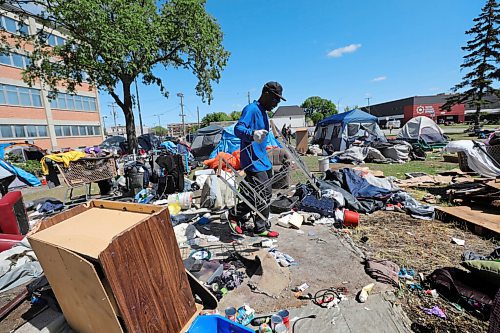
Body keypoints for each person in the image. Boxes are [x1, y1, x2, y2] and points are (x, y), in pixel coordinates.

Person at [227, 81, 286, 238]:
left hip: (263, 160)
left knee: (263, 195)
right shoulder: (251, 109)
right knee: (260, 194)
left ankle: (260, 224)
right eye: (275, 99)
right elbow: (238, 129)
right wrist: (252, 134)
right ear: (266, 94)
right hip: (252, 161)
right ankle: (234, 215)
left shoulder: (264, 113)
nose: (277, 103)